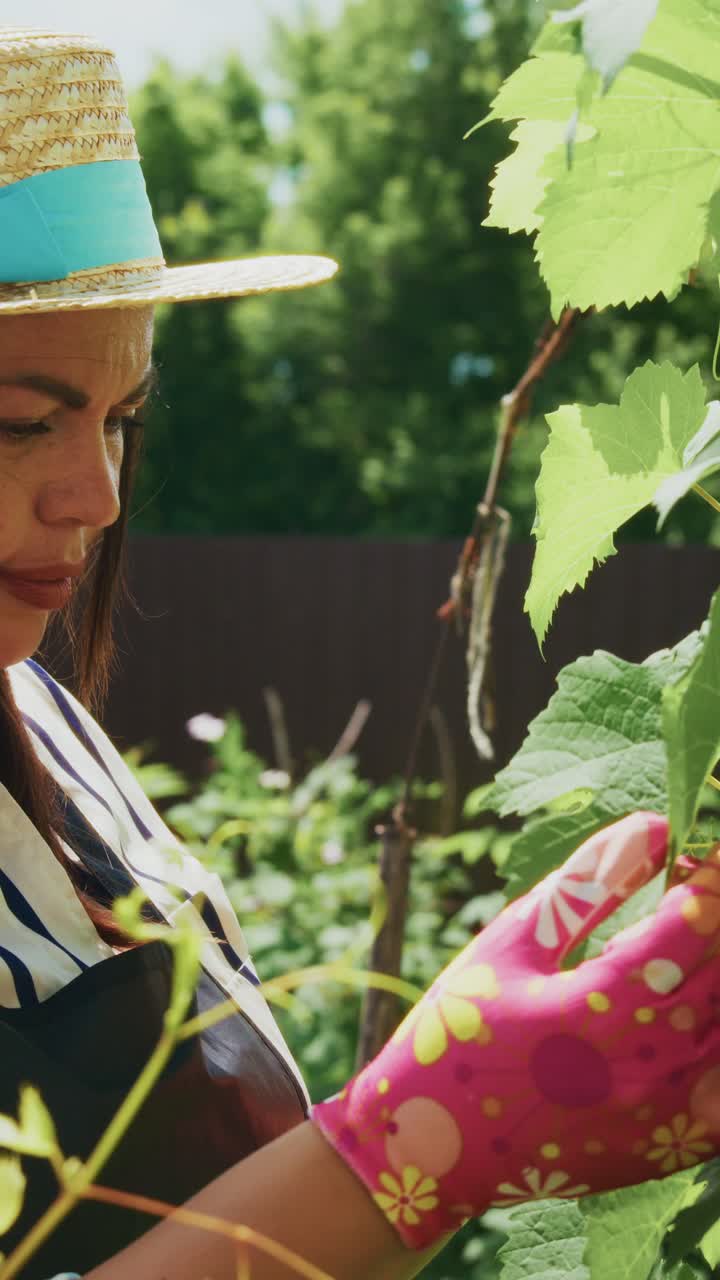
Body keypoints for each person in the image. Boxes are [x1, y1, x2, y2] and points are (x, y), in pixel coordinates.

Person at [1, 24, 719, 1280]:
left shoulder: (41, 709)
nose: (99, 495)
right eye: (17, 424)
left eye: (122, 416)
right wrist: (424, 1139)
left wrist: (447, 1069)